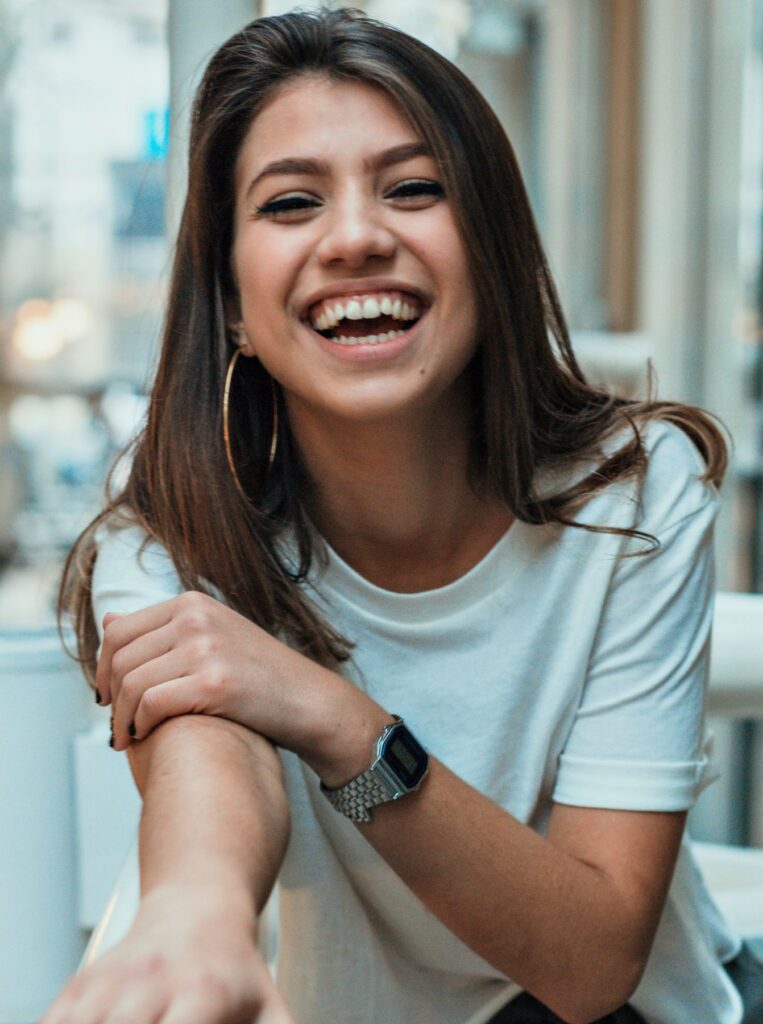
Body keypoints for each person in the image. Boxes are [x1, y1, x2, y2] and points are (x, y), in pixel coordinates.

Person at [44, 8, 762, 1024]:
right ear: (234, 304)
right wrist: (194, 920)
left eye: (414, 188)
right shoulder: (168, 541)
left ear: (493, 250)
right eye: (291, 203)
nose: (355, 238)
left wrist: (335, 717)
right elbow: (211, 771)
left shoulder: (635, 495)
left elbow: (595, 960)